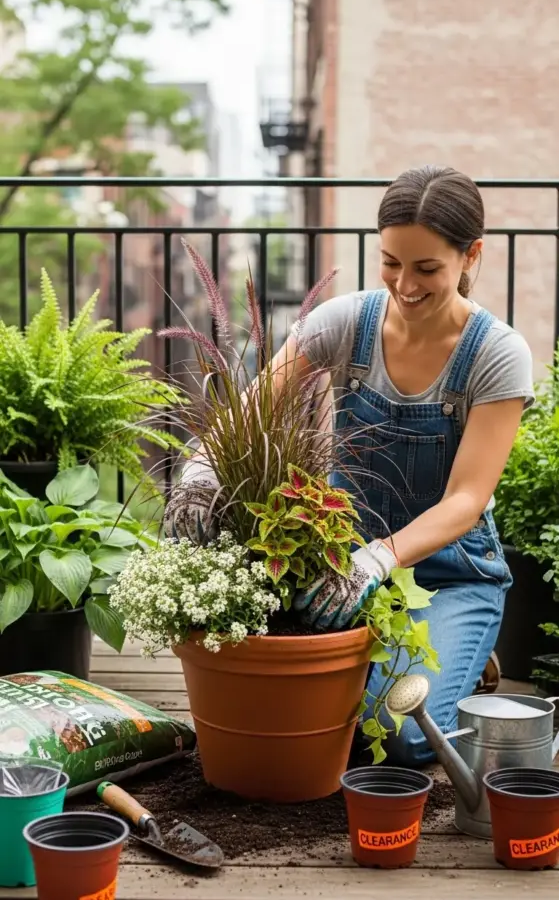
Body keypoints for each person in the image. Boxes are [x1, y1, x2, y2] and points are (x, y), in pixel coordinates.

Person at [169, 165, 535, 768]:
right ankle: (404, 654)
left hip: (450, 572)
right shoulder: (347, 323)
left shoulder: (495, 355)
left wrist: (379, 559)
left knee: (397, 736)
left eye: (426, 269)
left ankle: (461, 647)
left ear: (471, 256)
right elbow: (252, 412)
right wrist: (200, 474)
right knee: (283, 697)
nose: (404, 285)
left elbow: (466, 501)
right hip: (335, 562)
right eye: (391, 262)